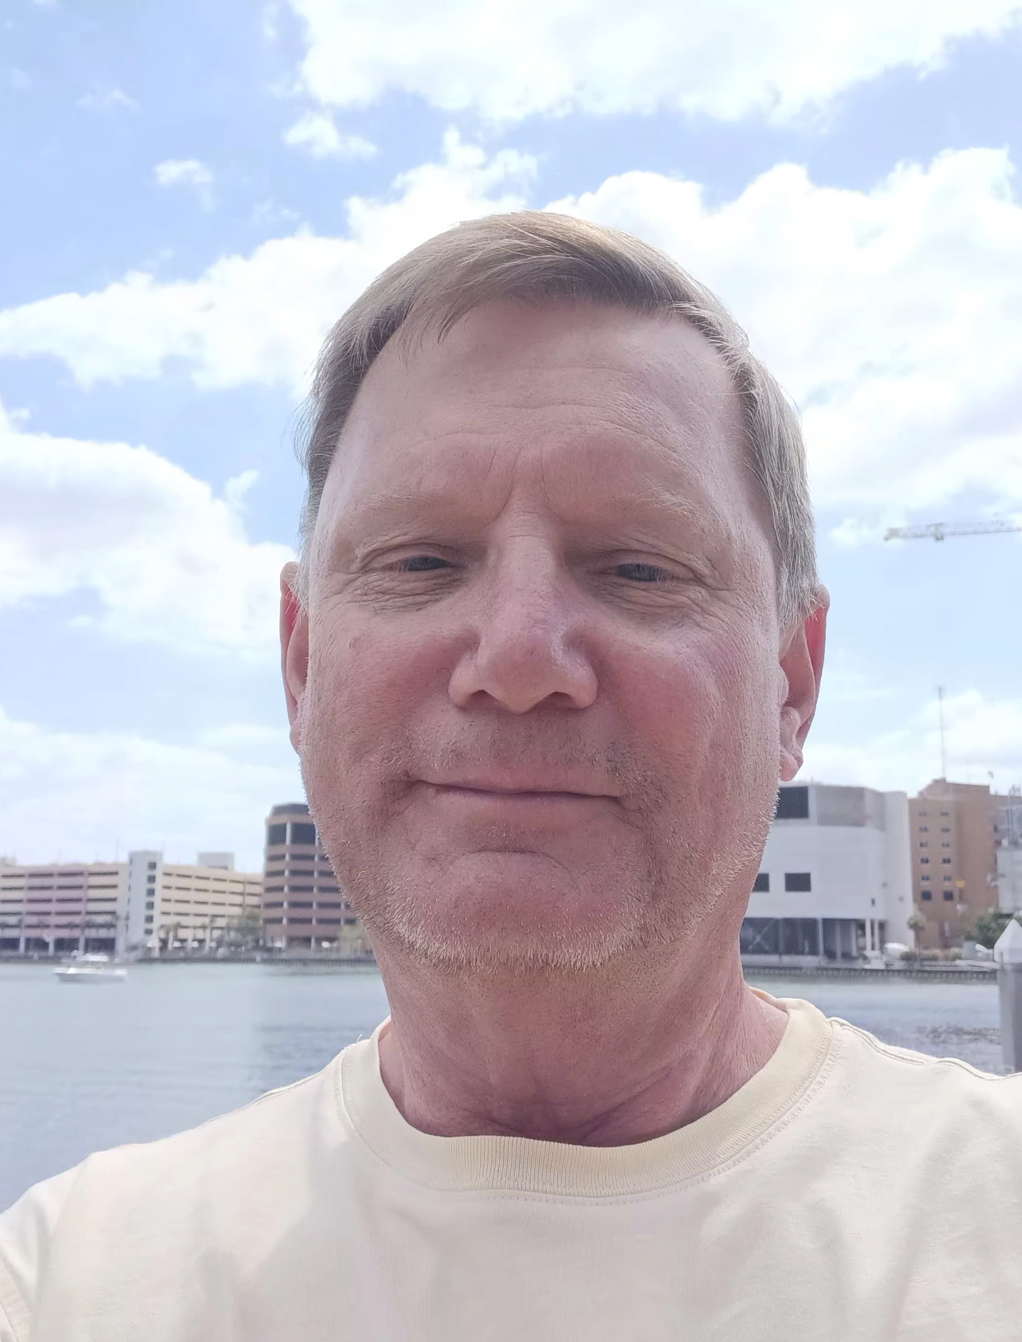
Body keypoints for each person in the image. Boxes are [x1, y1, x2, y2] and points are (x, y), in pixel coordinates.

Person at [2, 212, 1020, 1342]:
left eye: (637, 566)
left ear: (790, 682)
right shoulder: (71, 1281)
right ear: (300, 664)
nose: (519, 656)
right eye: (421, 561)